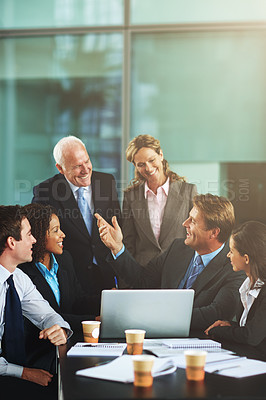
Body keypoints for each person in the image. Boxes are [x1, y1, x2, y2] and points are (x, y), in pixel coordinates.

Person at [95, 193, 246, 331]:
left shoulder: (235, 266)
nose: (184, 223)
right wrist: (118, 247)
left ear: (214, 232)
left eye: (192, 221)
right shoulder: (177, 248)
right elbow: (142, 281)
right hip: (159, 339)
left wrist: (151, 316)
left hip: (199, 344)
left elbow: (215, 313)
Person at [32, 135, 121, 296]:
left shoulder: (107, 181)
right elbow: (38, 237)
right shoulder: (45, 191)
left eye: (87, 161)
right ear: (60, 168)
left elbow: (117, 224)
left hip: (106, 273)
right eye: (77, 166)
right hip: (70, 276)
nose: (86, 170)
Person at [0, 205, 72, 399]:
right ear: (11, 242)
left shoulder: (18, 277)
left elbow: (47, 314)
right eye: (29, 234)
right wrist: (24, 373)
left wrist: (59, 329)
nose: (34, 240)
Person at [18, 203, 100, 368]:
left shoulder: (64, 259)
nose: (62, 235)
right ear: (38, 235)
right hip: (40, 354)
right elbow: (51, 315)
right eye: (55, 231)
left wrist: (107, 300)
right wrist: (94, 320)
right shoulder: (23, 272)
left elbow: (77, 299)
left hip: (69, 343)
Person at [122, 134, 197, 266]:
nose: (148, 168)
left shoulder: (188, 191)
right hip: (144, 274)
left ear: (161, 155)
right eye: (141, 164)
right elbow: (129, 243)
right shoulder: (131, 196)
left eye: (152, 160)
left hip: (179, 271)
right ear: (135, 166)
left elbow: (197, 236)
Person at [205, 221, 266, 348]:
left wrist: (217, 331)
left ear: (246, 258)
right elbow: (252, 328)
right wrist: (230, 326)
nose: (228, 255)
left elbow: (251, 336)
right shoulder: (247, 286)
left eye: (232, 251)